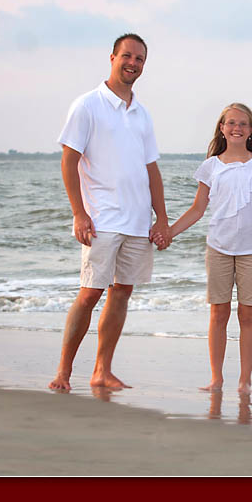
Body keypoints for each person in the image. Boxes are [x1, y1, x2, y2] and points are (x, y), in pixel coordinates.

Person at [48, 33, 171, 392]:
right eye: (127, 56)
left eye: (140, 59)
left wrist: (161, 218)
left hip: (137, 221)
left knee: (122, 292)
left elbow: (151, 170)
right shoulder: (87, 105)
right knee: (89, 293)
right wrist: (79, 213)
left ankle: (102, 370)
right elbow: (69, 162)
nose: (133, 63)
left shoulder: (142, 113)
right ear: (113, 57)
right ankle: (63, 372)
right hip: (101, 219)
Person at [167, 103, 252, 394]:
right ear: (222, 128)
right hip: (218, 248)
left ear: (251, 131)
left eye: (243, 124)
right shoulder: (210, 167)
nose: (237, 128)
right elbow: (198, 209)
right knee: (218, 313)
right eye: (231, 123)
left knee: (248, 315)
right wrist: (169, 232)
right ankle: (216, 378)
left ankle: (245, 380)